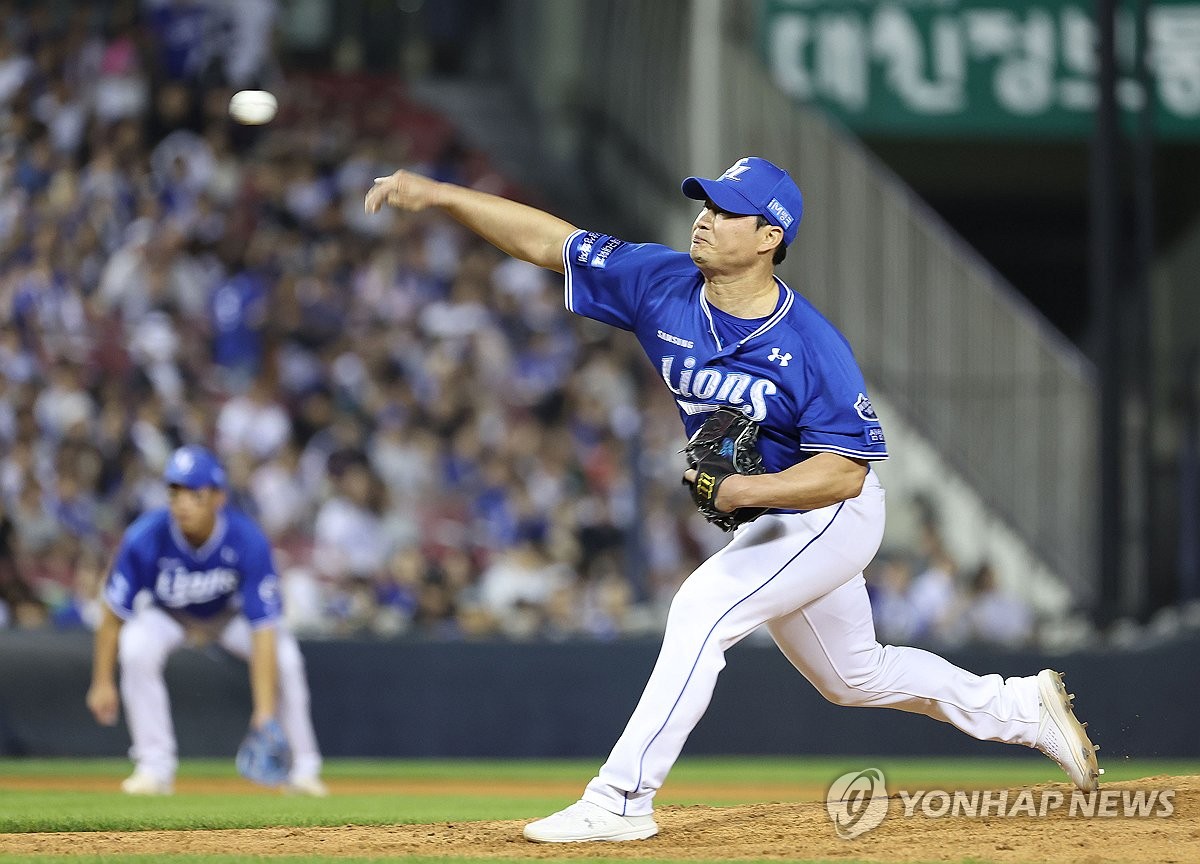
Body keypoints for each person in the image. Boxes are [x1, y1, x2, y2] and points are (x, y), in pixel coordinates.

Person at [365, 156, 1100, 842]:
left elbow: (846, 471)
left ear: (769, 238)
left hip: (829, 513)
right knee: (855, 676)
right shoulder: (660, 282)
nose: (705, 217)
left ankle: (621, 800)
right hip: (777, 522)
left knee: (701, 608)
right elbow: (551, 243)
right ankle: (1019, 708)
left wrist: (748, 488)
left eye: (727, 211)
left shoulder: (810, 343)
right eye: (706, 203)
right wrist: (440, 195)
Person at [85, 445, 326, 797]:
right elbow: (112, 614)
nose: (182, 502)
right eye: (175, 492)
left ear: (218, 498)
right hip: (168, 614)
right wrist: (102, 681)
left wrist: (263, 712)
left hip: (228, 617)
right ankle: (154, 768)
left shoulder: (248, 540)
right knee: (136, 646)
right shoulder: (144, 537)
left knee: (287, 659)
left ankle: (303, 770)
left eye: (194, 493)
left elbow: (263, 629)